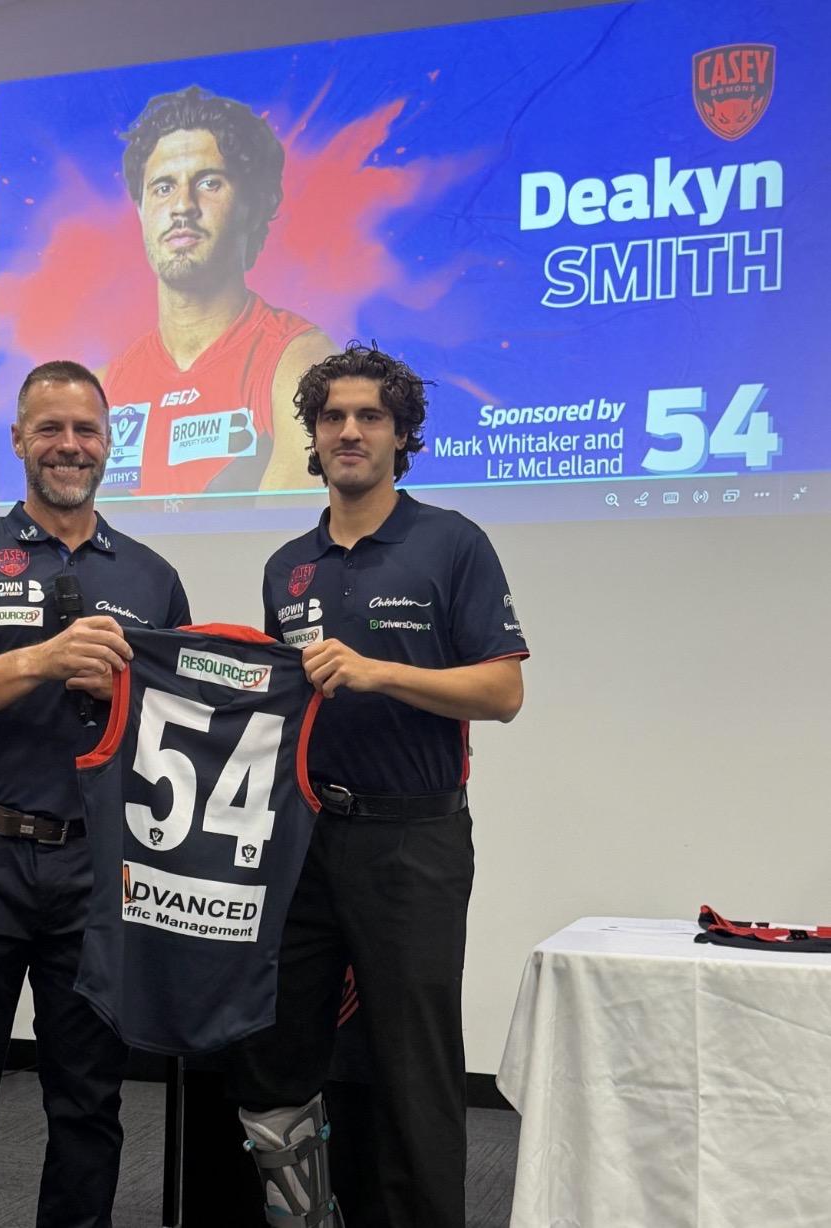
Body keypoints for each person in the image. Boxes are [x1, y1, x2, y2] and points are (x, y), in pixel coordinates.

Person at [228, 344, 529, 1228]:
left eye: (369, 417)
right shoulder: (287, 565)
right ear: (313, 437)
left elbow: (502, 692)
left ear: (401, 435)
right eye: (332, 418)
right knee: (278, 1049)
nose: (349, 432)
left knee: (412, 1065)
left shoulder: (451, 542)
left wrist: (378, 673)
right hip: (304, 842)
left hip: (413, 842)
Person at [0, 360, 190, 1228]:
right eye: (51, 429)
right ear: (20, 439)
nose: (69, 446)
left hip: (96, 863)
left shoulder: (151, 576)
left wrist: (127, 696)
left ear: (110, 443)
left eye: (86, 430)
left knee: (89, 1099)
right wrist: (42, 659)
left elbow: (177, 728)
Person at [102, 85, 335, 497]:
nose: (182, 206)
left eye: (209, 183)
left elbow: (288, 534)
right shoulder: (103, 388)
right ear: (141, 211)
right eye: (163, 187)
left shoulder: (299, 363)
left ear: (253, 207)